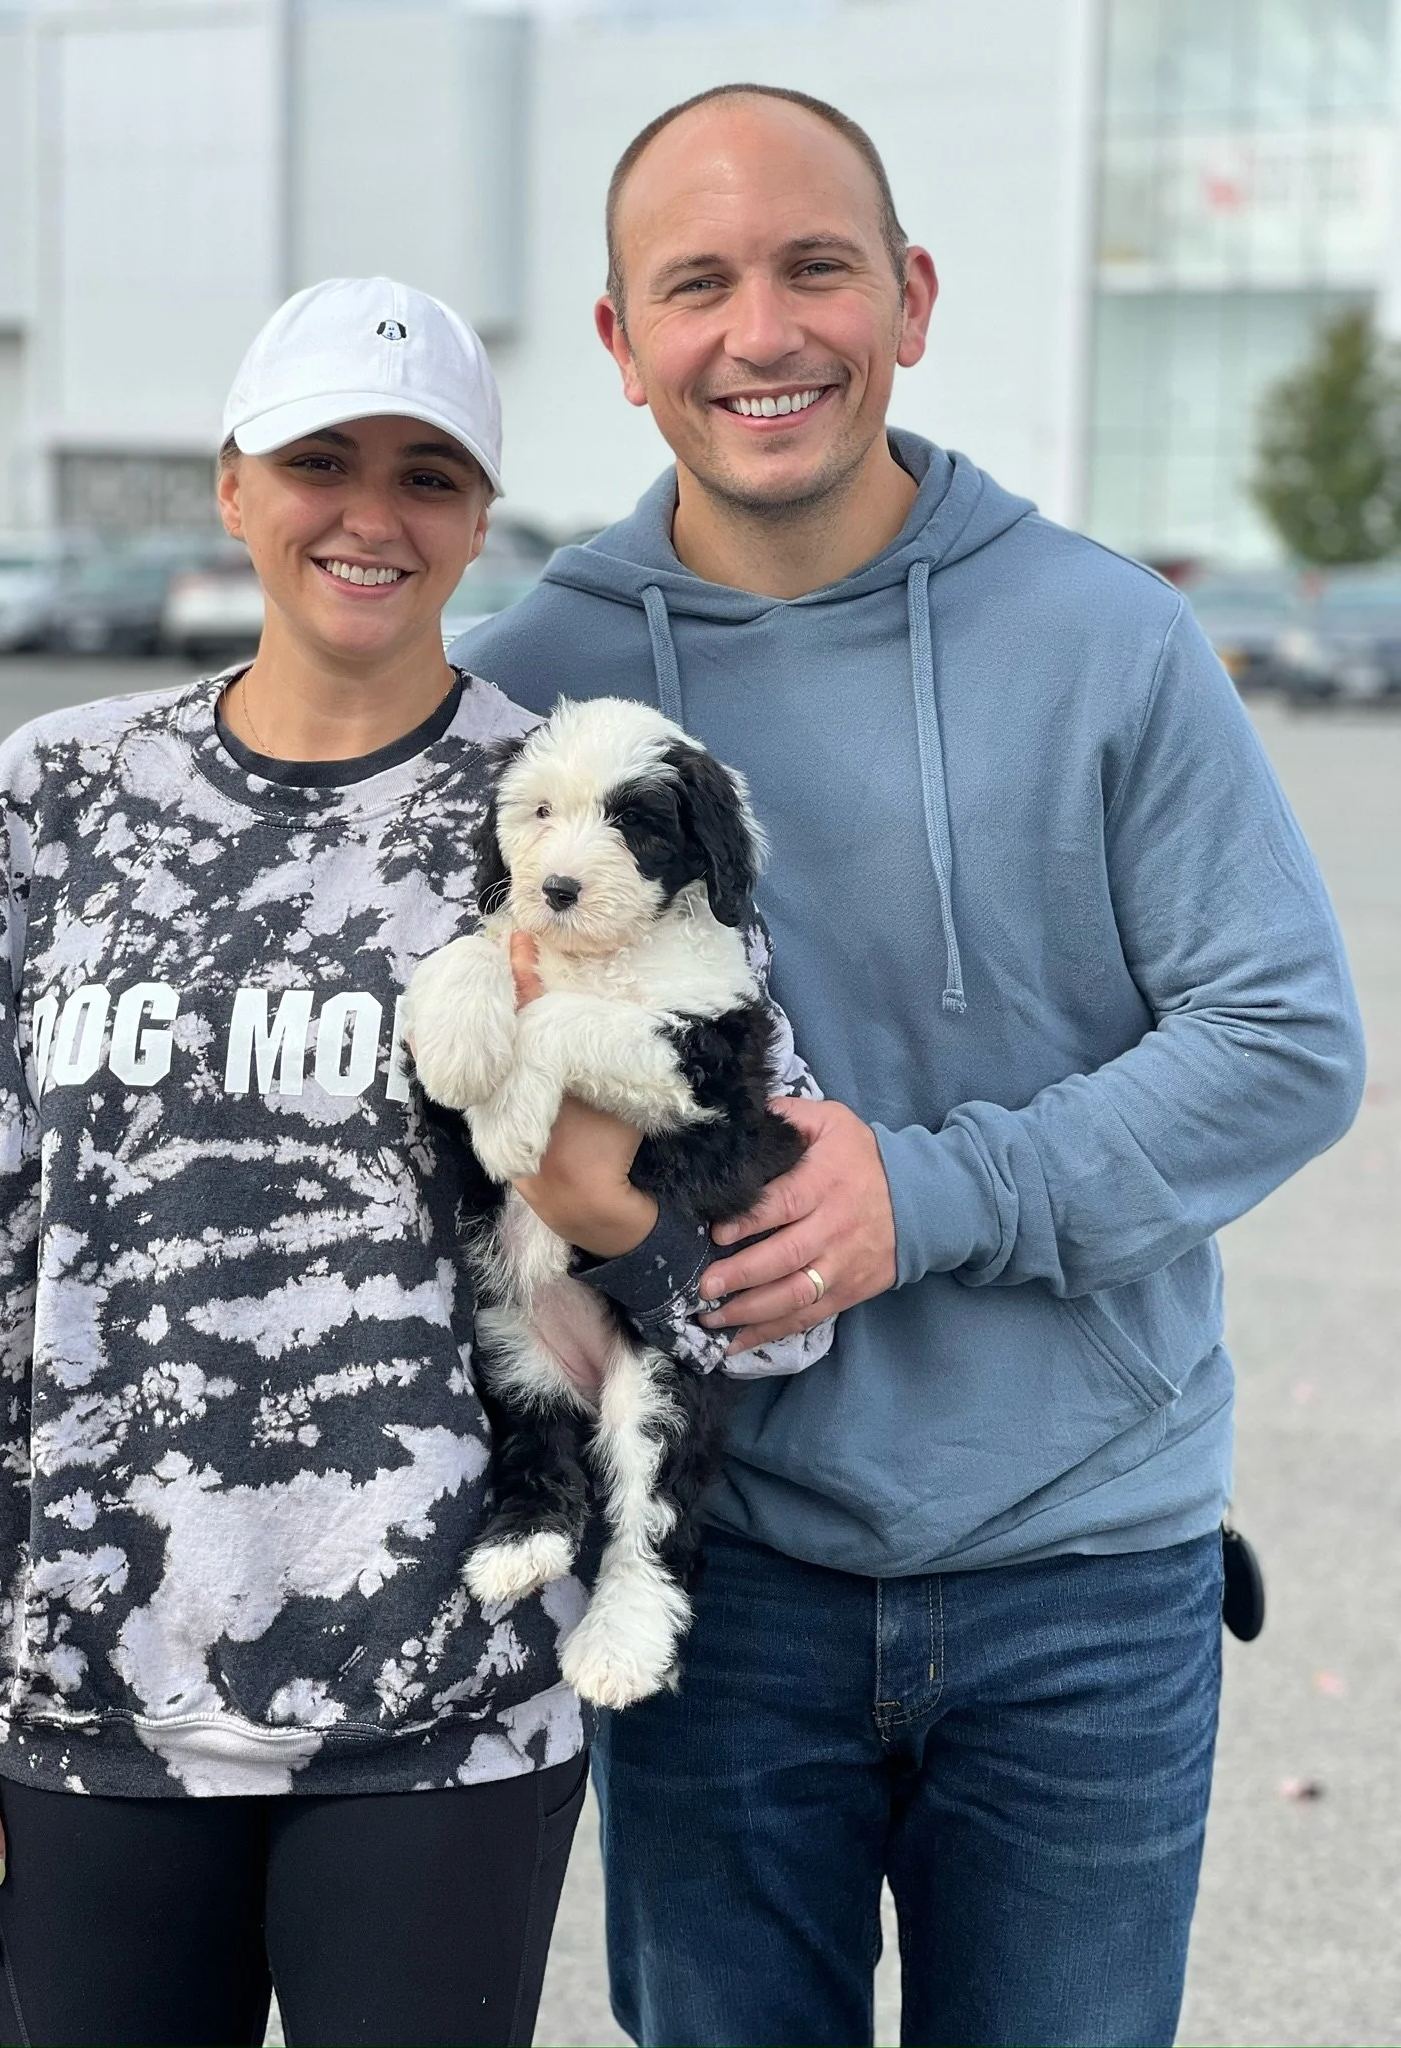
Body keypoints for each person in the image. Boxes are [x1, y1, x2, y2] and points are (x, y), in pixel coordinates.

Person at [451, 84, 1368, 2048]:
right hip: (725, 1590)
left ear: (913, 298)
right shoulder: (538, 675)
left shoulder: (1110, 640)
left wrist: (925, 1195)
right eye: (696, 284)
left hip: (1085, 1589)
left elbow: (1286, 1040)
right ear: (621, 344)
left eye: (816, 269)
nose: (761, 331)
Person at [0, 274, 829, 2048]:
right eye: (323, 459)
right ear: (233, 486)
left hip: (443, 1717)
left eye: (428, 473)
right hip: (73, 1708)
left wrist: (617, 1221)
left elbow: (778, 1292)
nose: (371, 514)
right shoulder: (51, 796)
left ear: (478, 517)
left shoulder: (573, 812)